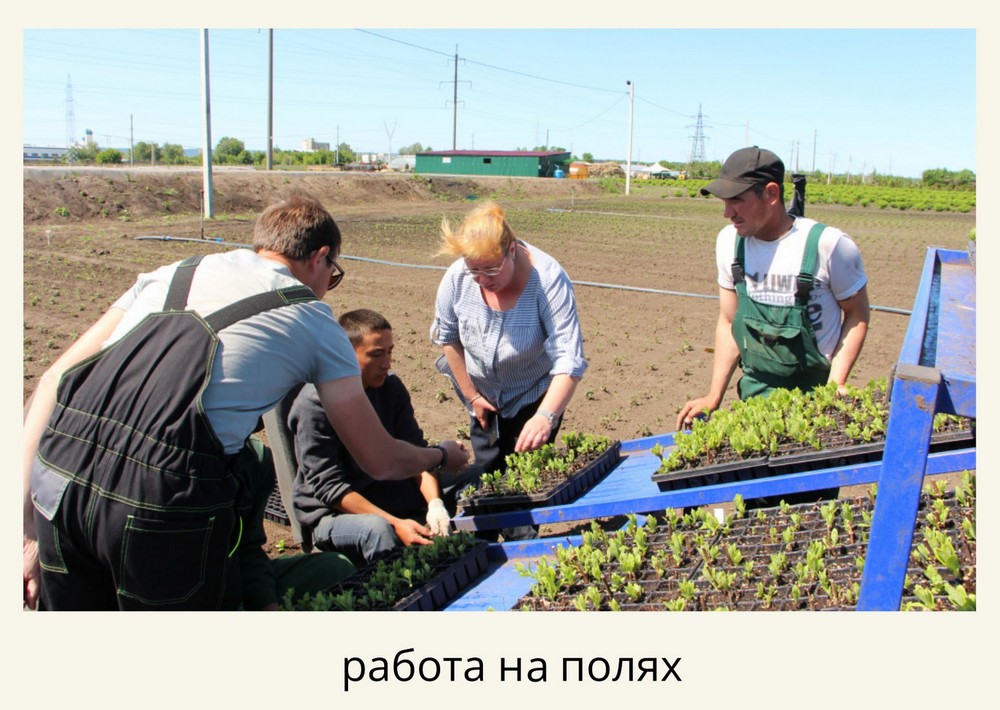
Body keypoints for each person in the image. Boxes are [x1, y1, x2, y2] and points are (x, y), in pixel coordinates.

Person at [23, 193, 469, 611]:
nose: (326, 288)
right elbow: (379, 459)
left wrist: (23, 532)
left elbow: (53, 380)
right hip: (158, 498)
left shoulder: (172, 273)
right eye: (332, 275)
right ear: (320, 258)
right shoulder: (313, 318)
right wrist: (439, 455)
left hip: (57, 477)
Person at [677, 147, 870, 432]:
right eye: (724, 202)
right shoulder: (729, 243)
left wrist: (835, 385)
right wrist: (713, 395)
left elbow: (857, 315)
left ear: (771, 194)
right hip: (754, 397)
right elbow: (729, 321)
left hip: (814, 400)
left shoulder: (828, 245)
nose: (727, 213)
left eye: (736, 200)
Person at [430, 201, 587, 521]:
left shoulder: (548, 280)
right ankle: (486, 535)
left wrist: (545, 416)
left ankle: (523, 538)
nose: (482, 279)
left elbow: (569, 359)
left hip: (533, 393)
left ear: (511, 250)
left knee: (526, 480)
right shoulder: (457, 278)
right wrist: (473, 396)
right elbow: (448, 338)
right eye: (474, 270)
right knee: (487, 472)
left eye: (491, 269)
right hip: (482, 395)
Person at [288, 308, 452, 567]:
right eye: (376, 355)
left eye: (389, 352)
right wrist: (395, 523)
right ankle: (402, 590)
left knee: (469, 480)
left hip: (387, 488)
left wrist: (435, 503)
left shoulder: (390, 387)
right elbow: (331, 489)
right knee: (377, 529)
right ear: (345, 354)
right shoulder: (314, 405)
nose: (387, 363)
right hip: (334, 513)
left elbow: (416, 453)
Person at [237, 437, 356, 611]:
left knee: (335, 569)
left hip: (235, 575)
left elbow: (248, 550)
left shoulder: (252, 456)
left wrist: (267, 604)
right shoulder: (193, 468)